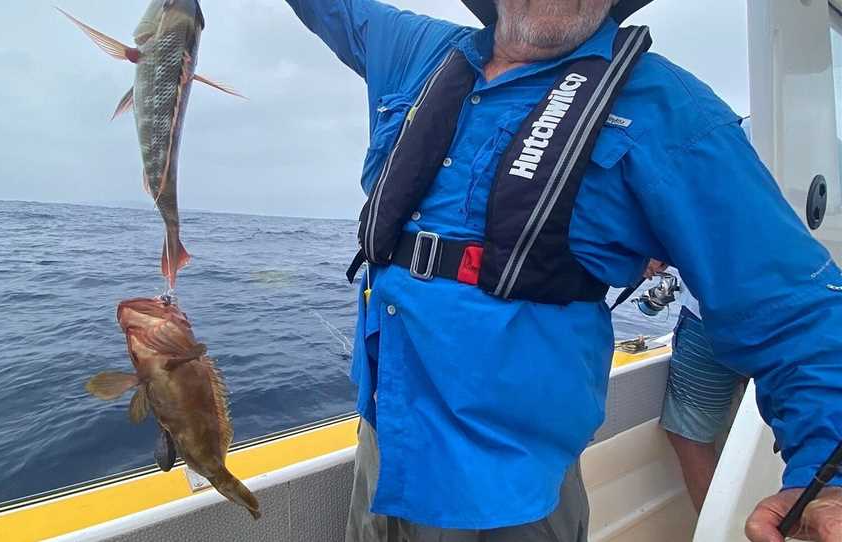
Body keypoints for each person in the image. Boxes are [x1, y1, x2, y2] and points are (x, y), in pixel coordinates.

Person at [282, 1, 842, 540]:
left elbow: (792, 307)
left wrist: (829, 481)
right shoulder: (416, 49)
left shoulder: (670, 110)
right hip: (387, 438)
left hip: (518, 483)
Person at [643, 260, 746, 512]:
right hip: (802, 317)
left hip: (710, 319)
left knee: (691, 434)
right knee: (791, 430)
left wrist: (654, 251)